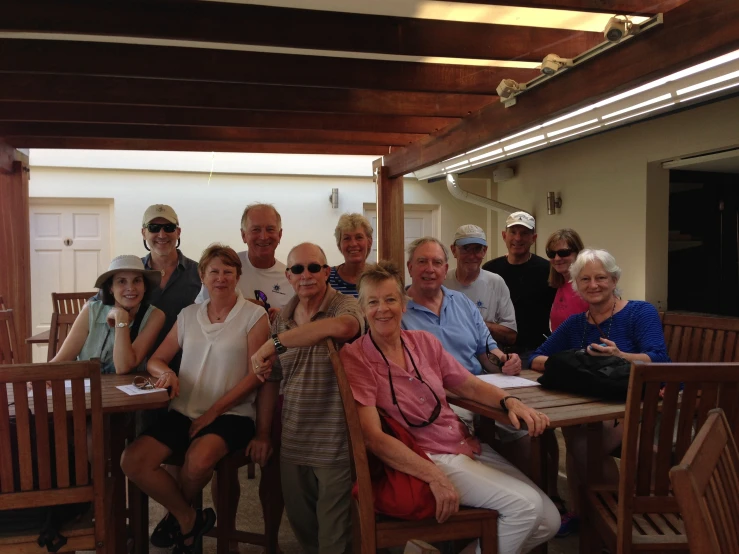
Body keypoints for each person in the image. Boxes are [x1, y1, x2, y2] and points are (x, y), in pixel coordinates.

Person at [339, 261, 559, 554]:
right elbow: (372, 437)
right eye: (373, 302)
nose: (383, 309)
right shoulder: (356, 357)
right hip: (425, 456)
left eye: (391, 299)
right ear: (363, 309)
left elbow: (467, 384)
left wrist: (510, 401)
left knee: (549, 521)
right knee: (526, 509)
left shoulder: (424, 342)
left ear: (404, 305)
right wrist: (433, 475)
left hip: (463, 443)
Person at [121, 244, 275, 554]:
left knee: (198, 460)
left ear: (237, 276)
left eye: (228, 272)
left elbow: (256, 375)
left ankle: (178, 523)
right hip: (183, 410)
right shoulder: (188, 315)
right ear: (202, 276)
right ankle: (187, 517)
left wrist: (213, 413)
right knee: (132, 461)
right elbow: (156, 359)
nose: (221, 278)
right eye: (214, 271)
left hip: (233, 414)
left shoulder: (254, 315)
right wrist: (166, 372)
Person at [529, 248, 669, 536]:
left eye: (601, 278)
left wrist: (621, 355)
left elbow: (660, 358)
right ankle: (592, 514)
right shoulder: (576, 323)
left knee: (583, 444)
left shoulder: (640, 312)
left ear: (615, 279)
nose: (593, 285)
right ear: (576, 285)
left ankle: (611, 520)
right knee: (574, 432)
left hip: (641, 399)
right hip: (595, 401)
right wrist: (571, 361)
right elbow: (537, 357)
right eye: (585, 279)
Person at [251, 242, 364, 554]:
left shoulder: (344, 305)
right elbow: (271, 382)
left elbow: (345, 327)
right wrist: (263, 434)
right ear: (288, 276)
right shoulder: (281, 318)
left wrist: (272, 344)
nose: (306, 275)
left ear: (326, 272)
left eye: (314, 267)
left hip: (336, 443)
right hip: (294, 439)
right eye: (298, 269)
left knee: (334, 538)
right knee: (304, 531)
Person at [402, 237, 530, 468]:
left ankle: (544, 494)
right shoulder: (398, 312)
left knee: (529, 429)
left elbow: (486, 351)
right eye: (422, 262)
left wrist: (505, 362)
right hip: (440, 402)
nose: (430, 269)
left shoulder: (461, 302)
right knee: (477, 444)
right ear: (410, 267)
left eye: (437, 262)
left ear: (445, 269)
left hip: (479, 392)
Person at [51, 255, 165, 374]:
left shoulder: (155, 316)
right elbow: (61, 360)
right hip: (86, 387)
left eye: (137, 281)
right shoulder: (91, 310)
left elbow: (124, 367)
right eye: (122, 281)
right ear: (111, 287)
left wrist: (121, 319)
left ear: (145, 286)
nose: (130, 288)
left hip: (128, 388)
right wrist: (39, 379)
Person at [482, 212, 555, 365]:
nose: (517, 238)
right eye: (513, 232)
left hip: (534, 351)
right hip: (496, 350)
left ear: (533, 238)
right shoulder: (489, 270)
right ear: (504, 235)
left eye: (524, 233)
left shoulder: (547, 270)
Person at [196, 203, 293, 315]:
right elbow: (199, 311)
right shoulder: (226, 267)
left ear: (280, 235)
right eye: (256, 230)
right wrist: (239, 306)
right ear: (243, 235)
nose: (263, 237)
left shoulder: (291, 278)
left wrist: (283, 319)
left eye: (270, 229)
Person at [444, 224, 517, 346]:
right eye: (465, 248)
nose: (472, 255)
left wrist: (474, 323)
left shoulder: (496, 282)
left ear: (484, 251)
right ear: (453, 250)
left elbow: (510, 335)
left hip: (487, 358)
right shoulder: (443, 282)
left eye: (477, 249)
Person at [545, 228, 588, 332]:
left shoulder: (588, 285)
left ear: (578, 253)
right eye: (552, 254)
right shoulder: (561, 285)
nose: (557, 258)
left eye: (563, 253)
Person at [329, 213, 374, 297]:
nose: (353, 244)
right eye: (347, 238)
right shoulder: (327, 278)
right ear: (339, 245)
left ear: (369, 242)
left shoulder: (379, 277)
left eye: (359, 237)